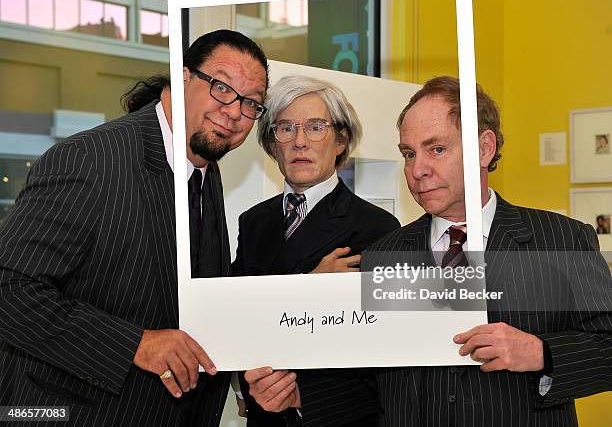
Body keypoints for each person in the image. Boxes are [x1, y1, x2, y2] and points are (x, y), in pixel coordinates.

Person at [0, 29, 268, 426]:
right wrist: (134, 345)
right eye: (221, 87)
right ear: (181, 79)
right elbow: (10, 289)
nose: (233, 111)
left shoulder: (204, 168)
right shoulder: (89, 159)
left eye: (251, 104)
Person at [369, 76, 612, 426]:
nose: (417, 169)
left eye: (437, 149)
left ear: (484, 148)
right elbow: (367, 374)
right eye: (409, 153)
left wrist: (542, 353)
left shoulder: (562, 239)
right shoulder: (384, 255)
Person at [231, 75, 400, 426]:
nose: (299, 142)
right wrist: (312, 287)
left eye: (315, 127)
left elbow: (380, 354)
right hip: (264, 413)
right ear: (271, 144)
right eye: (285, 128)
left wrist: (301, 397)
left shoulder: (376, 227)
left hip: (332, 415)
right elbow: (235, 316)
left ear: (341, 140)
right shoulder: (254, 222)